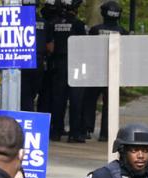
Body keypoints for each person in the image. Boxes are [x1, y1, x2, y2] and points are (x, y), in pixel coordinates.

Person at [83, 1, 127, 141]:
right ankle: (106, 133)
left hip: (96, 70)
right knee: (110, 103)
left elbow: (88, 50)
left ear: (103, 13)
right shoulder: (122, 32)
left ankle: (87, 129)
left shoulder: (95, 30)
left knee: (90, 101)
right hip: (113, 72)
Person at [49, 0, 86, 143]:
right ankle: (74, 133)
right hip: (75, 64)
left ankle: (56, 131)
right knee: (76, 99)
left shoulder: (53, 24)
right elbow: (83, 46)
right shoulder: (78, 24)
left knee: (58, 98)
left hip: (59, 64)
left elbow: (50, 45)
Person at [21, 0, 55, 113]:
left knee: (25, 94)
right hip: (38, 62)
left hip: (22, 61)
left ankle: (27, 113)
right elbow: (50, 47)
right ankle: (29, 112)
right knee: (32, 92)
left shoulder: (16, 20)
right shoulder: (44, 23)